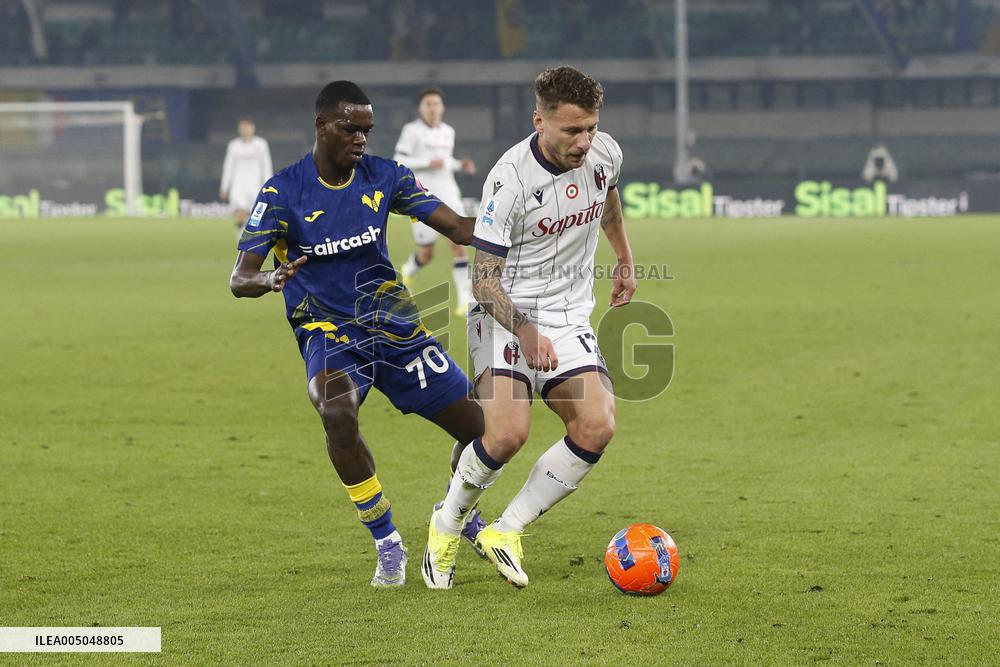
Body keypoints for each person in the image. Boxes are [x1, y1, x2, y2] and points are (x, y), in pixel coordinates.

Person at [229, 81, 486, 588]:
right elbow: (240, 278)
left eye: (367, 130)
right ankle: (387, 540)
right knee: (335, 410)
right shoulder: (283, 192)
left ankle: (453, 511)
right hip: (330, 331)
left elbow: (456, 227)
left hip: (395, 328)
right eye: (351, 129)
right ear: (322, 126)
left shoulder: (384, 175)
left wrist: (523, 229)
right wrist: (269, 279)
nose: (361, 139)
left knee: (485, 432)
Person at [421, 66, 637, 589]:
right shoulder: (510, 180)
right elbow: (484, 282)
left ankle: (507, 530)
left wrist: (625, 258)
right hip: (504, 313)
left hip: (567, 316)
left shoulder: (605, 152)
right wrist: (526, 332)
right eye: (571, 131)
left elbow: (608, 201)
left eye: (590, 127)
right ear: (539, 120)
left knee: (597, 424)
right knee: (508, 433)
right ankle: (445, 526)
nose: (584, 142)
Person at [393, 88, 477, 316]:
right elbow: (399, 159)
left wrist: (461, 165)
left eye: (436, 104)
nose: (432, 108)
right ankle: (408, 270)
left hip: (450, 194)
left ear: (442, 108)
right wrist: (427, 162)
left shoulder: (448, 131)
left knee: (459, 244)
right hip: (423, 197)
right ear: (421, 108)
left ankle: (464, 299)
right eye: (428, 104)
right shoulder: (412, 131)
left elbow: (445, 161)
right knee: (426, 254)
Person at [220, 117, 274, 232]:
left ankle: (252, 239)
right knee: (240, 211)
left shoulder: (261, 144)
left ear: (252, 129)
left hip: (256, 185)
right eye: (243, 127)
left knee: (256, 216)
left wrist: (269, 186)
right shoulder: (233, 145)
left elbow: (266, 166)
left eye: (247, 127)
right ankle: (241, 239)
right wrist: (224, 187)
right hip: (238, 185)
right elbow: (228, 167)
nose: (245, 130)